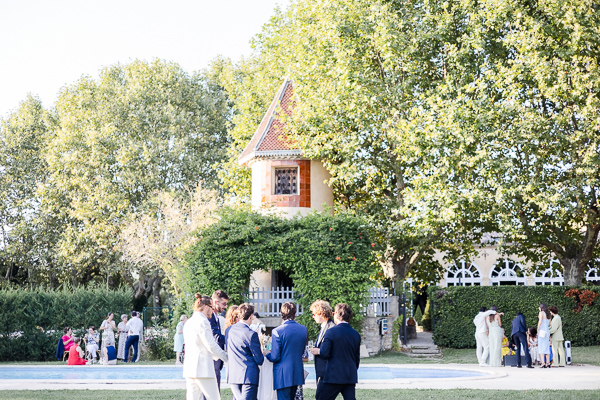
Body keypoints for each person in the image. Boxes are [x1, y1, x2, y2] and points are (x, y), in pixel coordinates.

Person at [183, 293, 228, 400]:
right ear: (207, 307)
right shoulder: (203, 321)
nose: (212, 311)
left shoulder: (189, 322)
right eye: (211, 308)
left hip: (190, 368)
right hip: (203, 369)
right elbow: (211, 345)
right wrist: (226, 357)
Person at [315, 303, 361, 400]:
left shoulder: (331, 332)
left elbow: (324, 353)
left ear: (336, 314)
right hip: (349, 376)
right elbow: (357, 358)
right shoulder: (355, 334)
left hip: (333, 376)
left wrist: (318, 351)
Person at [266, 302, 308, 400]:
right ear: (295, 314)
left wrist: (267, 354)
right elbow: (302, 351)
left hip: (282, 374)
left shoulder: (277, 331)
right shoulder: (303, 329)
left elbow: (275, 356)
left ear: (281, 314)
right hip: (297, 371)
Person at [226, 303, 264, 400]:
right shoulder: (251, 334)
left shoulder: (229, 330)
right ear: (251, 316)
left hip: (233, 375)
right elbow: (259, 360)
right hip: (248, 377)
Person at [308, 300, 335, 396]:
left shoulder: (331, 328)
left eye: (314, 314)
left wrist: (318, 351)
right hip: (321, 371)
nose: (313, 316)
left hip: (327, 372)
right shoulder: (323, 327)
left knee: (320, 396)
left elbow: (331, 349)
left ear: (321, 314)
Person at [209, 290, 229, 392]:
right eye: (224, 304)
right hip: (212, 358)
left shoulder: (215, 315)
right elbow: (216, 337)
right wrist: (232, 339)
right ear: (216, 302)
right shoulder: (210, 316)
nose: (225, 307)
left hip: (216, 359)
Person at [537, 303, 552, 368]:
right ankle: (548, 362)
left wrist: (537, 330)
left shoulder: (541, 313)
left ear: (541, 307)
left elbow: (540, 322)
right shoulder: (548, 314)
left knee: (541, 347)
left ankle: (543, 363)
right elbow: (549, 324)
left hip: (542, 332)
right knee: (546, 347)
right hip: (547, 332)